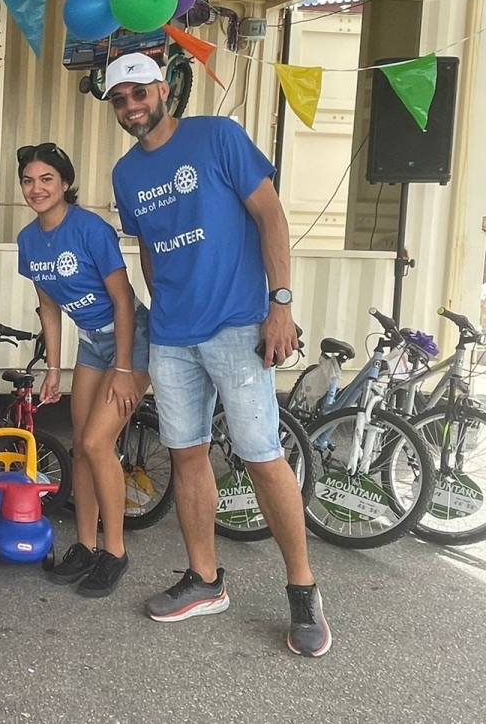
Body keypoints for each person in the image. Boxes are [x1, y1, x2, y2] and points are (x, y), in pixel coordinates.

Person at [108, 53, 331, 657]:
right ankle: (205, 580)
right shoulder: (125, 174)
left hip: (238, 324)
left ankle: (303, 589)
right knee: (186, 457)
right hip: (174, 337)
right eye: (119, 100)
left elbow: (271, 216)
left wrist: (279, 304)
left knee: (261, 457)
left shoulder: (218, 136)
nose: (131, 107)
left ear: (161, 89)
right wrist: (163, 310)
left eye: (137, 93)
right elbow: (150, 251)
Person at [14, 143, 151, 598]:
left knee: (97, 442)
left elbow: (123, 300)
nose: (36, 188)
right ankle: (87, 546)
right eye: (29, 180)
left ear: (66, 183)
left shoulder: (91, 229)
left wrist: (126, 367)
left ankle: (115, 551)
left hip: (131, 339)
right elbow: (49, 307)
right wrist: (53, 368)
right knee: (81, 447)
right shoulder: (28, 240)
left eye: (46, 179)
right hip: (91, 342)